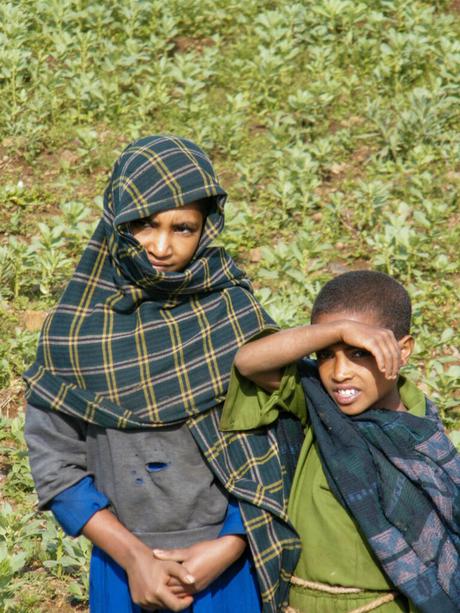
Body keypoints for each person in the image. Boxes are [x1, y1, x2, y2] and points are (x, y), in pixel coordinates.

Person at [23, 135, 302, 613]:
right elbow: (54, 463)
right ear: (116, 219)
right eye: (144, 223)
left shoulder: (232, 313)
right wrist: (135, 558)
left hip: (227, 571)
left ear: (206, 230)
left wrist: (232, 543)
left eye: (183, 228)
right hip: (123, 571)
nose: (161, 246)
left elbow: (278, 440)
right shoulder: (74, 332)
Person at [221, 270, 460, 613]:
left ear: (402, 350)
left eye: (358, 353)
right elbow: (248, 362)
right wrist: (337, 330)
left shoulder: (423, 439)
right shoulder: (318, 406)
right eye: (325, 354)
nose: (339, 372)